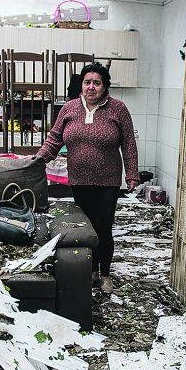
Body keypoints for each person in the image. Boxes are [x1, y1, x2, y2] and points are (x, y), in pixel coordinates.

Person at [35, 62, 139, 295]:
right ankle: (90, 270)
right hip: (79, 179)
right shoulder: (69, 108)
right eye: (87, 82)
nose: (91, 87)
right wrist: (38, 159)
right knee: (85, 227)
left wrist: (132, 174)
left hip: (108, 181)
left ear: (105, 86)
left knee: (104, 227)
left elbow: (129, 144)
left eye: (96, 83)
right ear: (81, 85)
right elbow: (54, 139)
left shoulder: (118, 109)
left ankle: (105, 274)